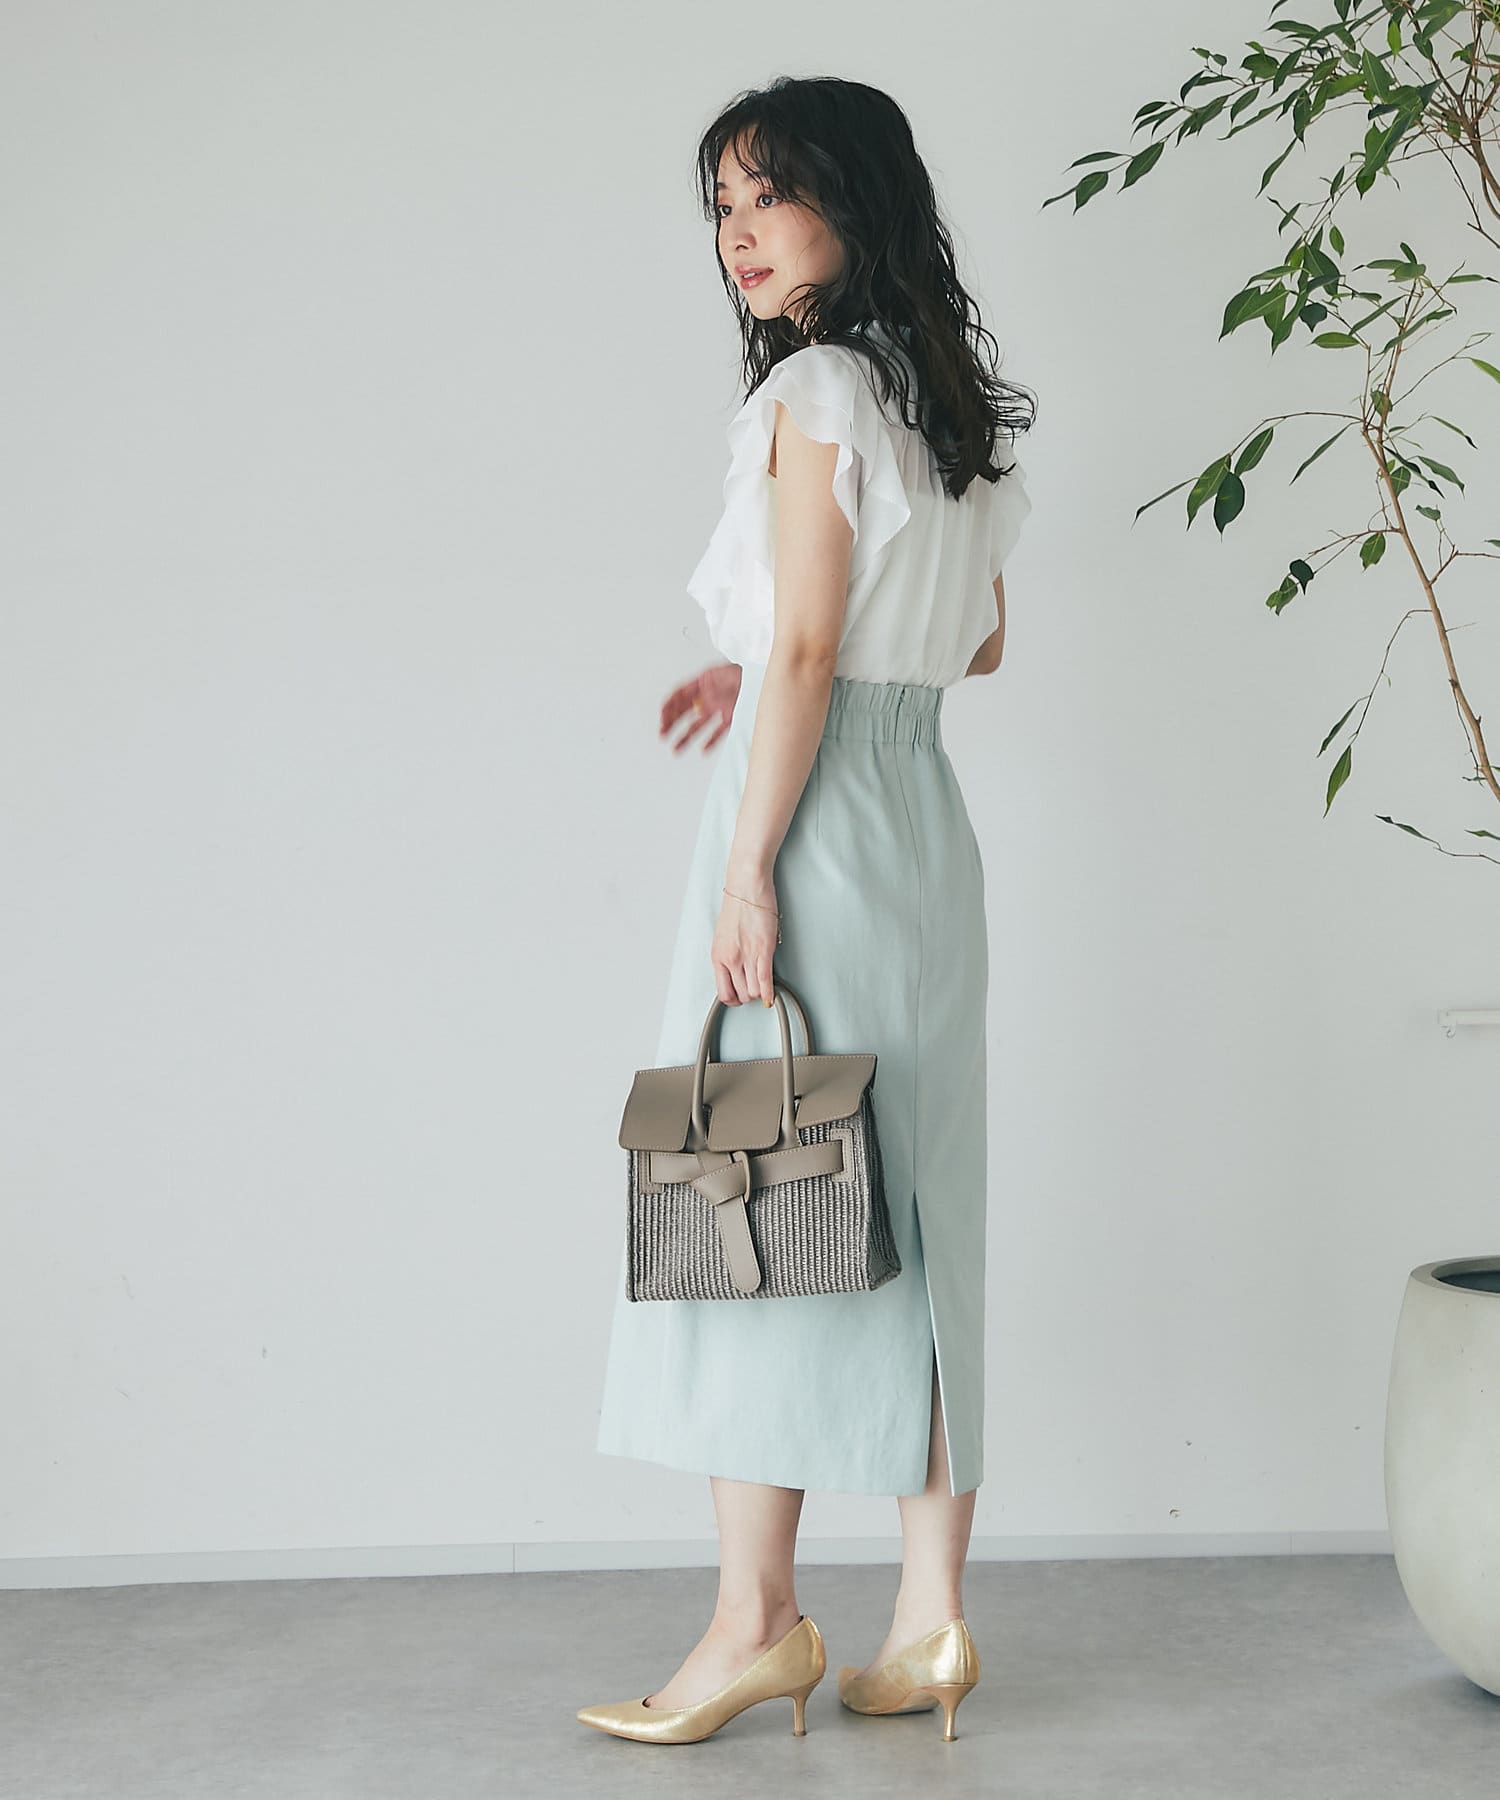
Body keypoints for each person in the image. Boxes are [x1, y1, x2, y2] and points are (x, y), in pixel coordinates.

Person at [578, 75, 1035, 1747]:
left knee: (753, 1189)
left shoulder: (819, 387)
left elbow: (813, 647)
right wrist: (769, 659)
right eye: (722, 205)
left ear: (855, 196)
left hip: (810, 814)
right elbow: (975, 642)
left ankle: (752, 1624)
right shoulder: (947, 400)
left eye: (770, 194)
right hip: (920, 821)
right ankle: (929, 1622)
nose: (740, 234)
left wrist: (749, 861)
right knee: (913, 1207)